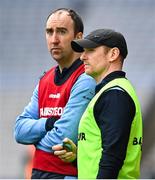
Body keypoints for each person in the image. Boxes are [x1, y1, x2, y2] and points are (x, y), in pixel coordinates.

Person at [14, 8, 96, 179]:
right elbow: (19, 131)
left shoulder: (85, 79)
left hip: (66, 174)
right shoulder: (45, 80)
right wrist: (48, 124)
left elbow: (63, 137)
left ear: (78, 38)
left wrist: (34, 139)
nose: (54, 39)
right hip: (38, 174)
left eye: (62, 32)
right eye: (49, 32)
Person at [52, 28, 143, 179]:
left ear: (113, 54)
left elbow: (112, 158)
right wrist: (79, 155)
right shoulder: (113, 91)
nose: (82, 57)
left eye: (90, 50)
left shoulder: (114, 94)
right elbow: (107, 151)